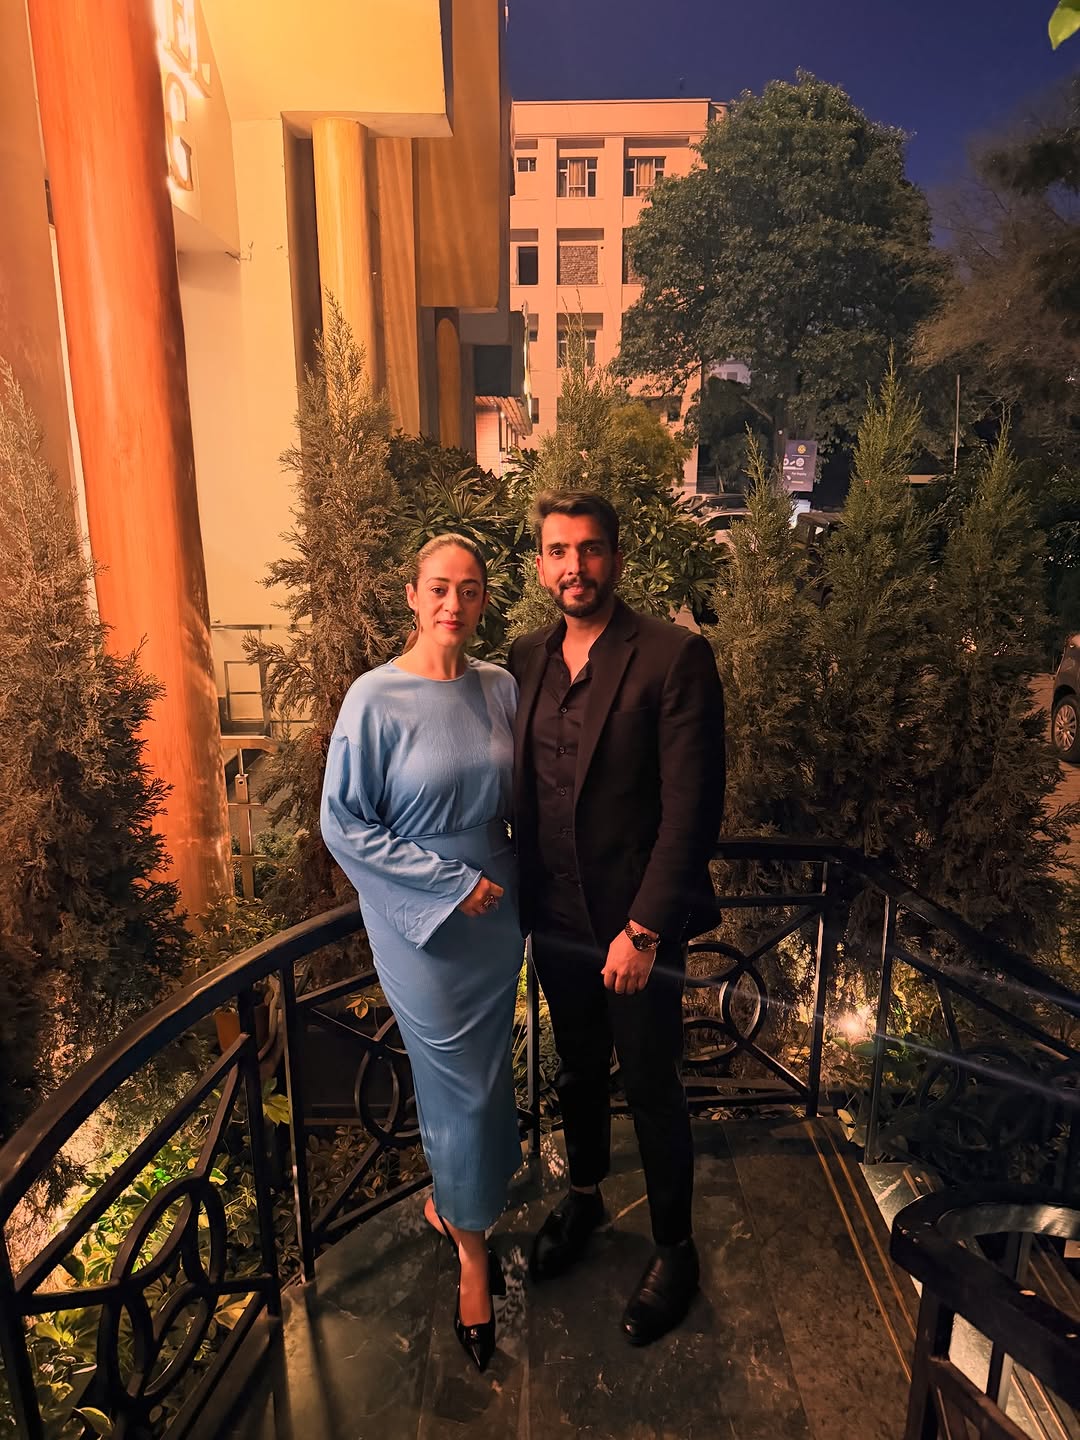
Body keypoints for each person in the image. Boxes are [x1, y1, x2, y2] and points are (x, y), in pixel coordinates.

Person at [508, 490, 725, 1346]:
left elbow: (691, 811)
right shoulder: (524, 659)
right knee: (575, 1072)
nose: (576, 566)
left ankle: (675, 1248)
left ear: (617, 559)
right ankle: (586, 1197)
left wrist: (643, 931)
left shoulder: (673, 656)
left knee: (652, 1085)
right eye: (559, 551)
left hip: (634, 931)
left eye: (591, 549)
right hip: (553, 919)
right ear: (540, 567)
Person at [320, 534, 522, 1373]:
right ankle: (473, 1255)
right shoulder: (373, 698)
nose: (453, 603)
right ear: (411, 594)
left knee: (488, 1075)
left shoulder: (501, 686)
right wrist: (446, 884)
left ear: (484, 601)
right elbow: (342, 822)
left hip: (498, 919)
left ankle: (457, 1203)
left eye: (469, 590)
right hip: (423, 924)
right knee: (459, 1088)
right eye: (438, 588)